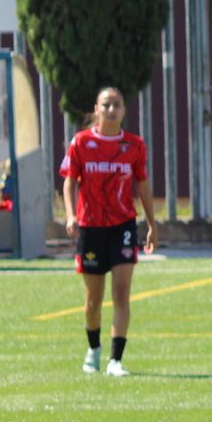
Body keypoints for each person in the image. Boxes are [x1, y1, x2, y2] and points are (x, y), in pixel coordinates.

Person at [61, 86, 159, 377]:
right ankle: (93, 350)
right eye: (106, 105)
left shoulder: (134, 145)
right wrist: (70, 215)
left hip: (123, 227)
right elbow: (69, 182)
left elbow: (142, 184)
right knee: (93, 299)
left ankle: (116, 360)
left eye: (117, 104)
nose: (111, 110)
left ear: (124, 110)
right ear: (97, 108)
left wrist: (152, 224)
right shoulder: (80, 143)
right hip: (91, 227)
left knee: (121, 293)